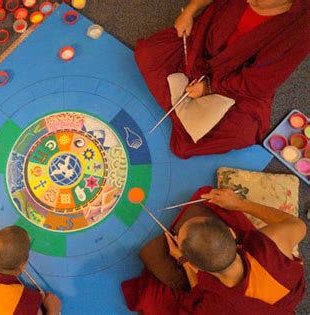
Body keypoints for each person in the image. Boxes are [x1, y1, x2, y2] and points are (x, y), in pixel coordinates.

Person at [135, 0, 309, 158]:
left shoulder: (301, 27)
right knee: (147, 54)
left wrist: (209, 88)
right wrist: (189, 11)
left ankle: (181, 110)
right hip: (202, 46)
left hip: (236, 81)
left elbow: (259, 82)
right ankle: (185, 118)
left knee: (242, 133)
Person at [122, 187, 306, 314]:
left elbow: (199, 295)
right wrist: (240, 204)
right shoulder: (271, 245)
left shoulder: (213, 307)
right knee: (207, 196)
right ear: (231, 232)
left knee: (152, 292)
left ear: (194, 264)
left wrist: (182, 261)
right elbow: (297, 225)